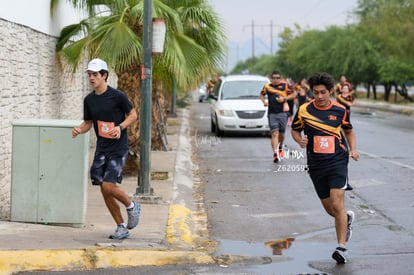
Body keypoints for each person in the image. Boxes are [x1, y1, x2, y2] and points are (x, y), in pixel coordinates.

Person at [291, 72, 359, 264]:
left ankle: (341, 247)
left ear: (330, 91)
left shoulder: (339, 109)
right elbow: (295, 129)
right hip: (316, 164)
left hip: (338, 161)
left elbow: (349, 130)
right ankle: (346, 219)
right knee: (331, 210)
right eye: (315, 93)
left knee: (337, 204)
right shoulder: (304, 110)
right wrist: (299, 140)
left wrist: (353, 149)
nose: (319, 97)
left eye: (323, 93)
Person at [72, 58, 141, 240]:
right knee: (104, 189)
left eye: (95, 75)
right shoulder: (89, 100)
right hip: (102, 149)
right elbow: (88, 122)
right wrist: (79, 129)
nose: (91, 78)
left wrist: (120, 127)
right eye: (89, 75)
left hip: (118, 148)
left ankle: (132, 206)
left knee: (108, 185)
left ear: (104, 75)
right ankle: (121, 226)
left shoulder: (117, 96)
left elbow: (133, 115)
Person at [260, 70, 297, 163]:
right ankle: (275, 154)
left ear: (280, 78)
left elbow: (294, 94)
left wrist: (284, 98)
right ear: (270, 78)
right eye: (274, 78)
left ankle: (280, 147)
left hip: (283, 113)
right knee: (274, 133)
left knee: (281, 134)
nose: (276, 80)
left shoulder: (285, 86)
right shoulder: (267, 87)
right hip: (272, 113)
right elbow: (261, 94)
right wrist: (264, 102)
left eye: (278, 78)